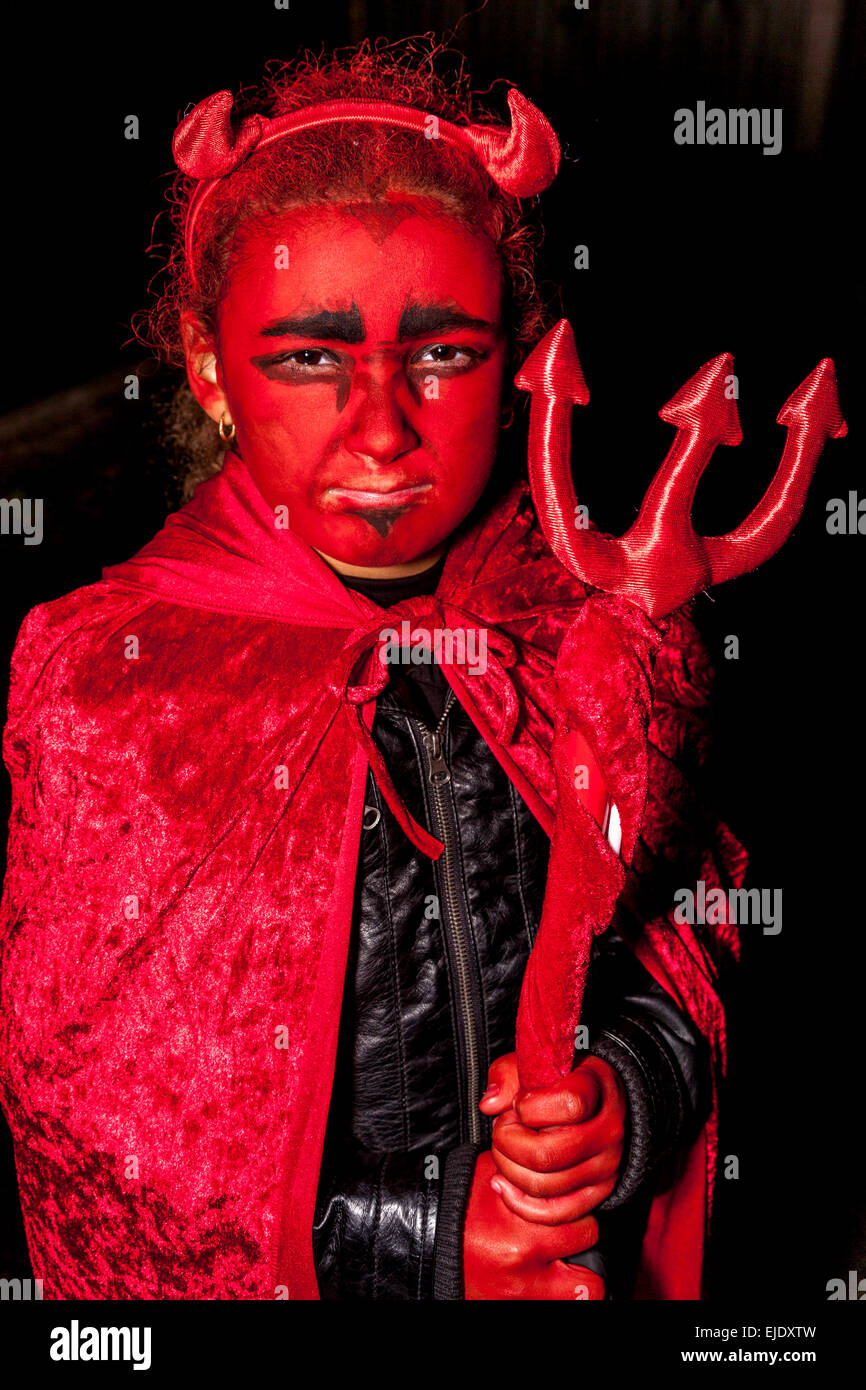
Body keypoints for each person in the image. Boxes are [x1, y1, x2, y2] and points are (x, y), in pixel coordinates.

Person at [0, 39, 746, 1300]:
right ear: (205, 367)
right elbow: (97, 1131)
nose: (386, 425)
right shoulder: (110, 683)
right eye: (306, 357)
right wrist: (435, 1242)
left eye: (443, 355)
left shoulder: (585, 611)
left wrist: (632, 1088)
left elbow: (692, 909)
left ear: (516, 359)